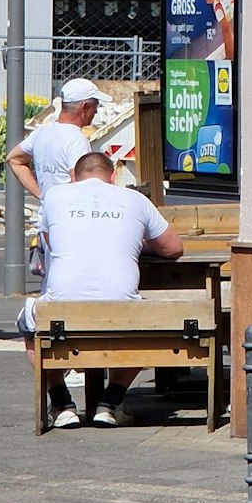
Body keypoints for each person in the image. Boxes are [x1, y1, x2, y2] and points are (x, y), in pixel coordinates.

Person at [20, 152, 183, 428]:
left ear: (73, 178)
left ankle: (61, 404)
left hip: (62, 312)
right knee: (145, 323)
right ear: (113, 177)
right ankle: (110, 402)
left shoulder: (54, 197)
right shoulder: (135, 199)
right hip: (122, 312)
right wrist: (135, 243)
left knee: (29, 325)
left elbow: (51, 241)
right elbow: (173, 248)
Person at [5, 78, 104, 203]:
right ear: (85, 107)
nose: (95, 111)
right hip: (67, 216)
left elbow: (14, 159)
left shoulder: (41, 132)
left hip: (46, 216)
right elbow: (80, 185)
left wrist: (42, 195)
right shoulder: (76, 140)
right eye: (96, 106)